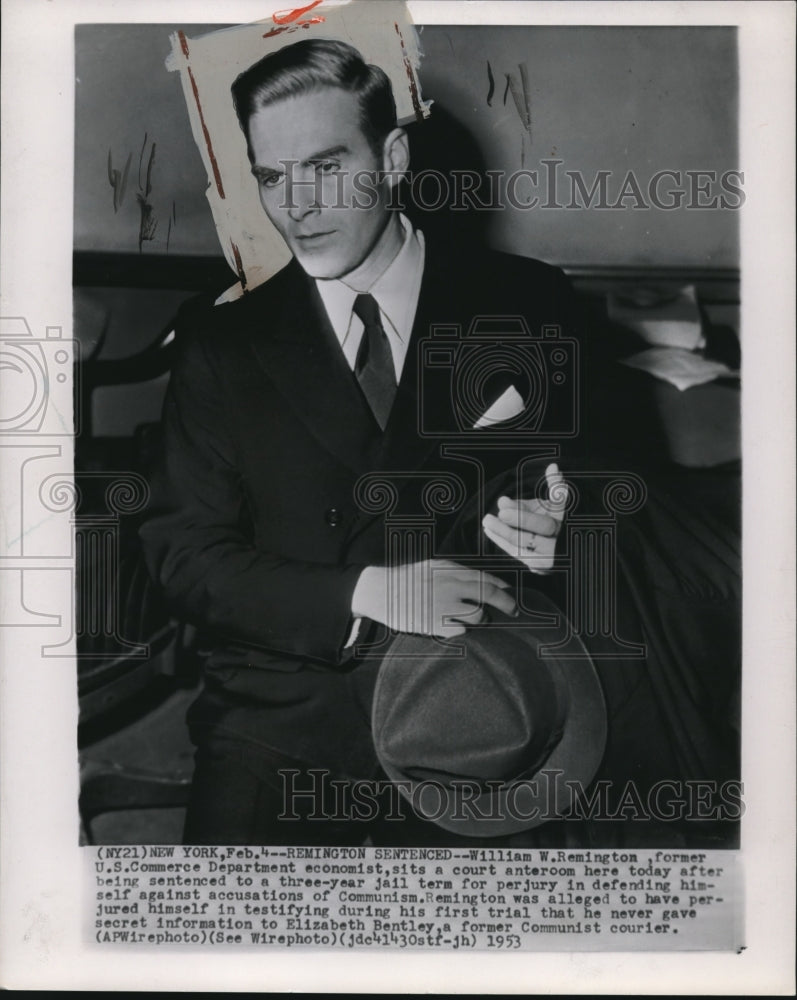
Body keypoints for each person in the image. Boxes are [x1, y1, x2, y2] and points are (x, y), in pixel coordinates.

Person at [140, 38, 740, 847]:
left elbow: (613, 479)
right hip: (285, 715)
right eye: (273, 178)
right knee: (212, 954)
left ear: (391, 157)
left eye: (324, 167)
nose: (298, 208)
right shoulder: (222, 343)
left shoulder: (527, 302)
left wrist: (568, 522)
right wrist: (365, 593)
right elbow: (184, 556)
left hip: (483, 701)